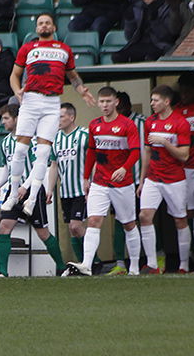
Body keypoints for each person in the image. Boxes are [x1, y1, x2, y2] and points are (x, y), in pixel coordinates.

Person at [3, 13, 94, 218]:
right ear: (37, 29)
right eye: (40, 23)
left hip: (52, 101)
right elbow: (14, 75)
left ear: (53, 27)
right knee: (20, 149)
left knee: (43, 153)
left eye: (47, 23)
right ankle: (12, 193)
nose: (43, 25)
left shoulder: (64, 50)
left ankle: (33, 197)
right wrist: (17, 90)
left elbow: (72, 76)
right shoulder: (27, 48)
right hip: (31, 99)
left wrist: (82, 91)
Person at [65, 86, 142, 277]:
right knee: (93, 220)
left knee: (128, 224)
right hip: (100, 181)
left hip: (122, 183)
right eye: (102, 102)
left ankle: (134, 267)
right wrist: (85, 178)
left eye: (108, 101)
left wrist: (124, 168)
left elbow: (135, 152)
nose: (105, 105)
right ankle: (87, 265)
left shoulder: (127, 125)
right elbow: (91, 152)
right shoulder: (95, 125)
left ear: (116, 102)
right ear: (98, 103)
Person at [0, 104, 66, 277]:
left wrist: (25, 187)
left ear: (17, 119)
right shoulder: (6, 142)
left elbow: (38, 167)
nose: (3, 122)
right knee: (4, 227)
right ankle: (2, 271)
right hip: (14, 191)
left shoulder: (32, 140)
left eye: (6, 118)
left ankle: (61, 267)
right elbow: (7, 167)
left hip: (32, 191)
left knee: (43, 232)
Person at [137, 85, 191, 274]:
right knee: (144, 216)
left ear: (166, 102)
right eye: (151, 100)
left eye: (155, 100)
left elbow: (184, 155)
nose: (152, 104)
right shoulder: (150, 122)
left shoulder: (180, 122)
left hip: (174, 179)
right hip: (153, 177)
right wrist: (142, 179)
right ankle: (152, 264)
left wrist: (165, 142)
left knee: (180, 220)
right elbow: (147, 151)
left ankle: (183, 265)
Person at [106, 91, 147, 276]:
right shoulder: (108, 124)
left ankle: (155, 257)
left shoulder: (141, 122)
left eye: (119, 107)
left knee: (144, 218)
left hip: (139, 178)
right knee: (120, 220)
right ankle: (120, 263)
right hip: (119, 182)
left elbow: (147, 150)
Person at [47, 103, 89, 266]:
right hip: (65, 191)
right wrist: (50, 189)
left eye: (61, 116)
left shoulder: (85, 135)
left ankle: (92, 261)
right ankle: (82, 264)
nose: (58, 120)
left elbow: (94, 160)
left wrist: (91, 181)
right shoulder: (55, 139)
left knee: (76, 226)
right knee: (73, 230)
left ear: (71, 117)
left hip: (81, 190)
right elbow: (54, 165)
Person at [174, 72, 194, 274]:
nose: (184, 95)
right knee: (193, 213)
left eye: (187, 91)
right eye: (181, 92)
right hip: (189, 170)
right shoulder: (178, 112)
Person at [112, 0, 178, 63]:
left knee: (148, 57)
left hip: (159, 45)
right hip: (140, 44)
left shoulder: (166, 8)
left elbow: (167, 37)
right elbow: (129, 37)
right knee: (117, 56)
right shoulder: (138, 8)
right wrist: (129, 20)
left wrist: (155, 21)